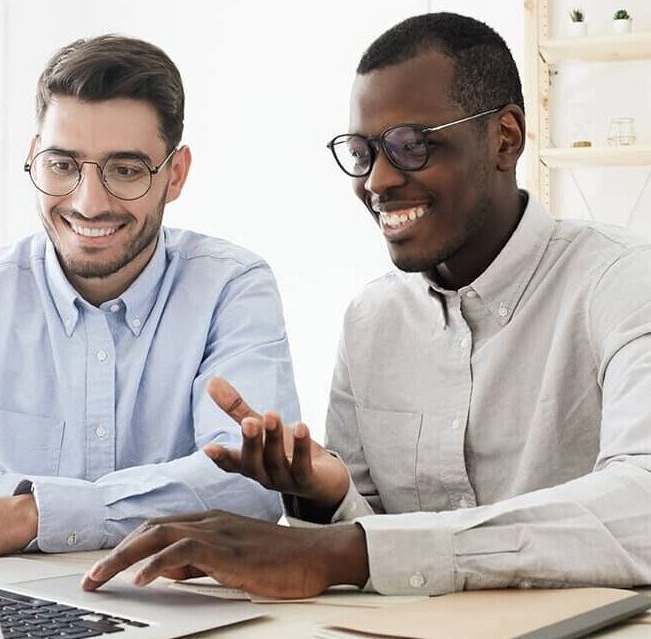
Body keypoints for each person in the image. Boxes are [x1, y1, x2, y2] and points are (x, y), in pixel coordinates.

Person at [81, 13, 651, 597]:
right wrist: (323, 497)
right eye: (362, 151)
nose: (376, 181)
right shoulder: (372, 320)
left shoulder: (623, 281)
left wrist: (343, 551)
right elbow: (374, 538)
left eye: (410, 146)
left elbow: (642, 504)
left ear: (505, 138)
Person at [0, 35, 300, 558]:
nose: (89, 204)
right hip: (15, 600)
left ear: (176, 174)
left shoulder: (232, 288)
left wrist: (28, 515)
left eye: (126, 170)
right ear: (32, 157)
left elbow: (251, 484)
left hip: (179, 601)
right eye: (62, 164)